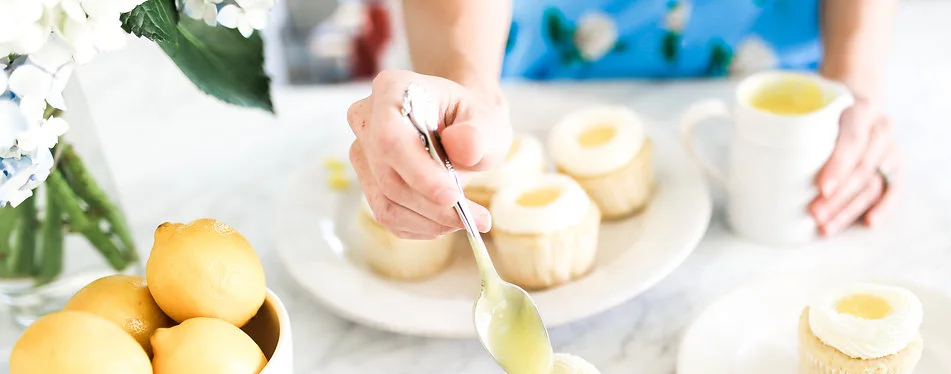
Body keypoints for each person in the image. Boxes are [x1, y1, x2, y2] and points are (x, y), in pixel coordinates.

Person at [347, 0, 898, 240]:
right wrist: (466, 89)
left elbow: (854, 81)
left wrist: (854, 86)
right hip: (533, 67)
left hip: (764, 74)